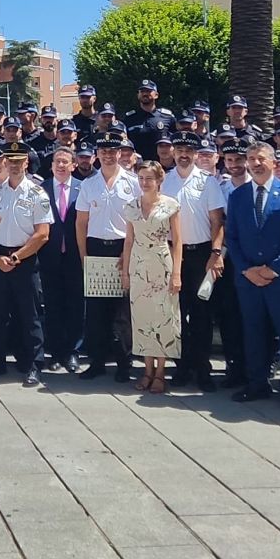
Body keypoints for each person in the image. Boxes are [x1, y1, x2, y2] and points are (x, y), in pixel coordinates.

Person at [224, 143, 280, 412]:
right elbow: (231, 237)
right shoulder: (237, 195)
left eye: (261, 158)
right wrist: (246, 269)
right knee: (253, 332)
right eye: (251, 159)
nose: (256, 163)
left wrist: (274, 268)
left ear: (273, 162)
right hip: (248, 279)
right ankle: (257, 383)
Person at [0, 146, 51, 383]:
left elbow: (42, 234)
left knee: (29, 316)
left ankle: (34, 364)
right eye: (11, 161)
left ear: (26, 163)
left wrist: (18, 257)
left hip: (25, 260)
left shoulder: (37, 193)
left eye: (19, 161)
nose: (15, 166)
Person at [163, 136, 227, 389]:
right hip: (172, 254)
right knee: (176, 314)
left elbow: (217, 221)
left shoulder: (207, 182)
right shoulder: (165, 180)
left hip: (201, 254)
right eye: (179, 150)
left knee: (201, 315)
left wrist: (216, 252)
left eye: (188, 150)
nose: (183, 155)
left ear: (195, 154)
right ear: (173, 152)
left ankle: (203, 369)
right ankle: (182, 366)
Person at [75, 133, 139, 382]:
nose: (108, 155)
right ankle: (97, 362)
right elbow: (81, 223)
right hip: (96, 248)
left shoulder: (132, 182)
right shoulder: (89, 184)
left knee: (123, 311)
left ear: (120, 153)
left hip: (123, 248)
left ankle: (124, 363)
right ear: (97, 155)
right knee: (96, 311)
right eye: (103, 151)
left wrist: (128, 251)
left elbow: (137, 221)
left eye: (113, 151)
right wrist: (83, 255)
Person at [121, 160, 182, 394]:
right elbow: (128, 240)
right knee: (143, 318)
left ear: (159, 180)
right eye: (141, 178)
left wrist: (176, 274)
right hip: (138, 264)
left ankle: (160, 372)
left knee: (164, 317)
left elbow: (178, 242)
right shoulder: (131, 206)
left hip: (162, 262)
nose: (145, 183)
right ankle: (147, 370)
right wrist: (126, 272)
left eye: (149, 179)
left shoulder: (170, 205)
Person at [39, 147, 85, 374]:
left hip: (75, 256)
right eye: (57, 161)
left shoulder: (83, 188)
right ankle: (56, 352)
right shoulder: (42, 189)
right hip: (49, 256)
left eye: (65, 161)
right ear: (51, 165)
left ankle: (73, 352)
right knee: (53, 305)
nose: (60, 165)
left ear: (73, 165)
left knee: (76, 304)